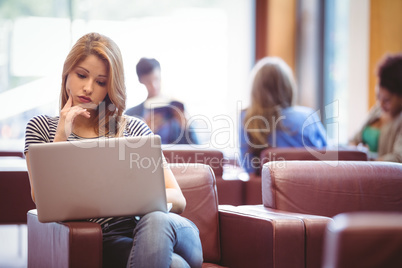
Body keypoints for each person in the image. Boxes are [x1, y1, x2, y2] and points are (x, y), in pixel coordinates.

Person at [24, 32, 203, 268]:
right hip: (110, 242)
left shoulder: (134, 129)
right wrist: (61, 135)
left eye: (100, 82)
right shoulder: (40, 128)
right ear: (67, 74)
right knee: (176, 266)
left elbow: (178, 200)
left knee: (157, 220)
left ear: (110, 87)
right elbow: (43, 200)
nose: (88, 88)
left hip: (168, 229)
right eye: (81, 75)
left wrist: (126, 197)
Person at [239, 57, 327, 175]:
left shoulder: (247, 117)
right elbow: (327, 156)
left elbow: (248, 168)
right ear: (288, 87)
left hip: (266, 190)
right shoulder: (308, 116)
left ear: (255, 91)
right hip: (312, 187)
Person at [125, 57, 198, 144]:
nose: (154, 86)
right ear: (141, 81)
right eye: (148, 81)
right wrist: (143, 132)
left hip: (175, 157)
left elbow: (196, 148)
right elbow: (127, 151)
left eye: (156, 79)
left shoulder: (177, 108)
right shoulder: (131, 115)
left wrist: (187, 128)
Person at [350, 53, 402, 162]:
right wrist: (355, 150)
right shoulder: (377, 110)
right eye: (378, 97)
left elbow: (398, 158)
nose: (381, 104)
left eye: (387, 100)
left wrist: (368, 162)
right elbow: (353, 140)